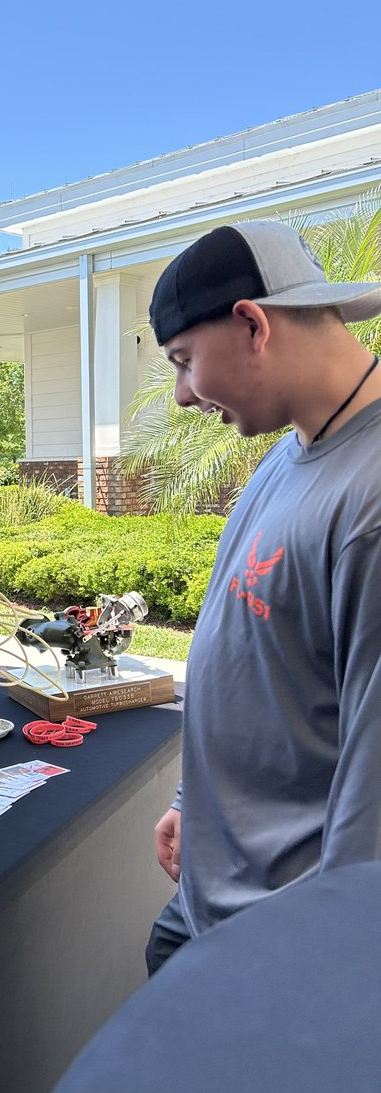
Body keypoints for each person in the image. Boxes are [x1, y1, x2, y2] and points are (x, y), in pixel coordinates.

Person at [145, 220, 381, 975]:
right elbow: (247, 645)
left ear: (251, 323)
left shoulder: (372, 501)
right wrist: (193, 799)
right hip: (216, 891)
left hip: (289, 939)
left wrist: (324, 977)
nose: (183, 396)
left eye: (184, 361)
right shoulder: (291, 454)